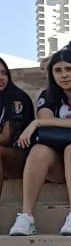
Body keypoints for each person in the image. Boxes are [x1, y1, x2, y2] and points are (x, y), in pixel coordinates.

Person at [8, 50, 71, 237]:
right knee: (39, 150)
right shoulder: (47, 95)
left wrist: (37, 122)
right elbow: (52, 120)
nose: (64, 75)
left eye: (69, 69)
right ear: (51, 74)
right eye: (58, 70)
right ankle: (26, 217)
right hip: (57, 164)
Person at [0, 57, 35, 189]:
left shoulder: (16, 98)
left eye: (4, 73)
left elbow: (6, 138)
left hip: (20, 157)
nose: (1, 77)